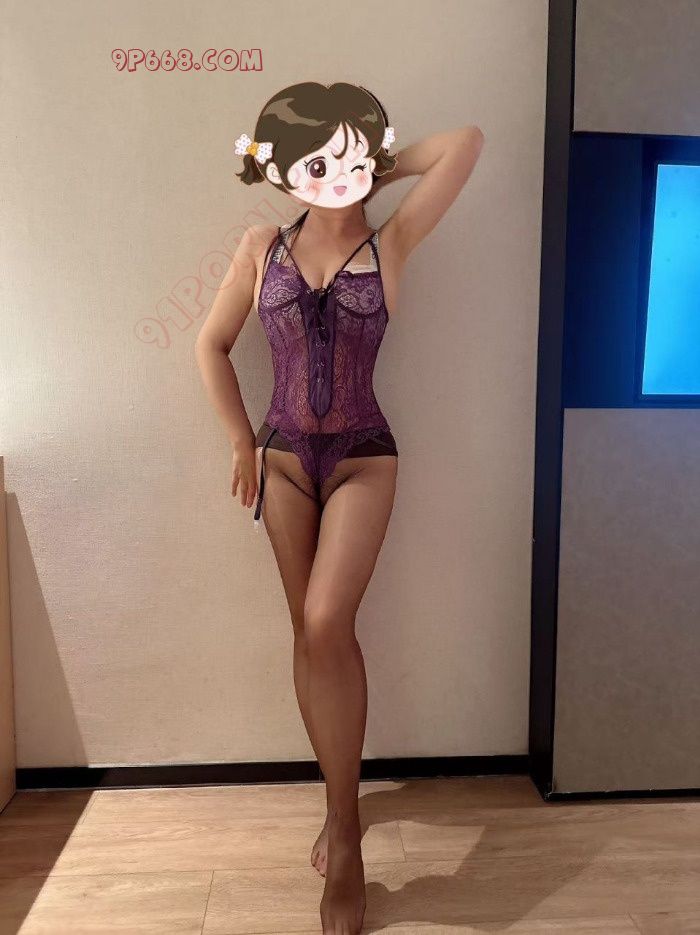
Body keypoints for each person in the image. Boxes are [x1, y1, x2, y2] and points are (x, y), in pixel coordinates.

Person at [195, 81, 484, 935]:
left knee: (328, 622)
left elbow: (465, 141)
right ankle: (339, 803)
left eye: (346, 157)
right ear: (279, 169)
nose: (332, 175)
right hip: (283, 460)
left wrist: (367, 166)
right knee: (307, 634)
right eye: (312, 162)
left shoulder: (392, 241)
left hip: (363, 455)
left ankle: (348, 839)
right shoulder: (261, 246)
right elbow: (211, 344)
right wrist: (240, 440)